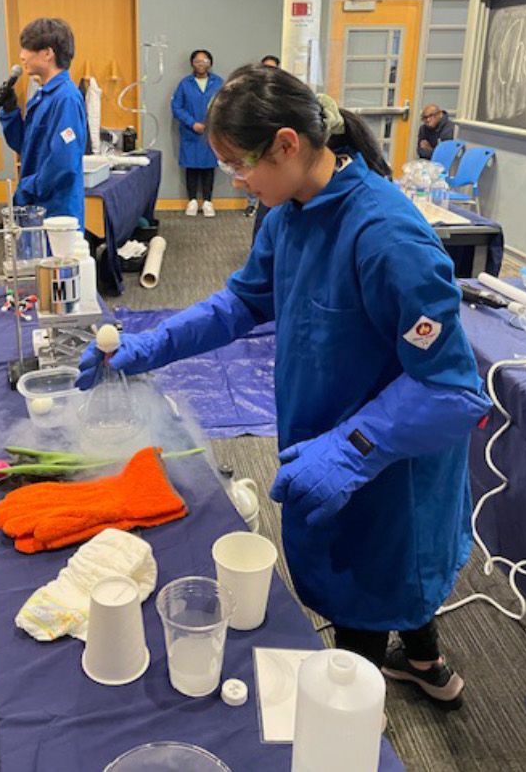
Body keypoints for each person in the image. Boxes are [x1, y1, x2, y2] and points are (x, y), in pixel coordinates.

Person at [76, 64, 490, 710]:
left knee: (369, 595)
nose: (235, 181)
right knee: (375, 580)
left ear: (288, 145)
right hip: (330, 437)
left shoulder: (385, 236)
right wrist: (147, 348)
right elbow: (239, 305)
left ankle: (355, 715)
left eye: (240, 166)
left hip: (389, 467)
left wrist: (352, 447)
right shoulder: (288, 211)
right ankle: (425, 656)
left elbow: (454, 392)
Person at [0, 18, 87, 230]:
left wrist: (28, 187)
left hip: (56, 210)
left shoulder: (66, 99)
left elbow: (63, 162)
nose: (21, 56)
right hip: (37, 204)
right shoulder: (43, 96)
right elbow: (25, 146)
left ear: (48, 53)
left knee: (55, 262)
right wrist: (10, 113)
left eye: (27, 49)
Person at [171, 49, 223, 217]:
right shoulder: (185, 84)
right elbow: (177, 107)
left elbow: (225, 105)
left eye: (205, 61)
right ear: (192, 63)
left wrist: (210, 123)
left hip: (210, 132)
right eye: (198, 61)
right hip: (190, 132)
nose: (201, 64)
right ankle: (192, 200)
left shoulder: (218, 82)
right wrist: (192, 123)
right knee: (191, 167)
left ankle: (208, 201)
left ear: (210, 63)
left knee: (209, 167)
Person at [246, 56, 282, 219]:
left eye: (272, 68)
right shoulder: (252, 89)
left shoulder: (282, 90)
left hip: (274, 139)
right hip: (256, 138)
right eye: (266, 67)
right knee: (253, 173)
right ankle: (251, 205)